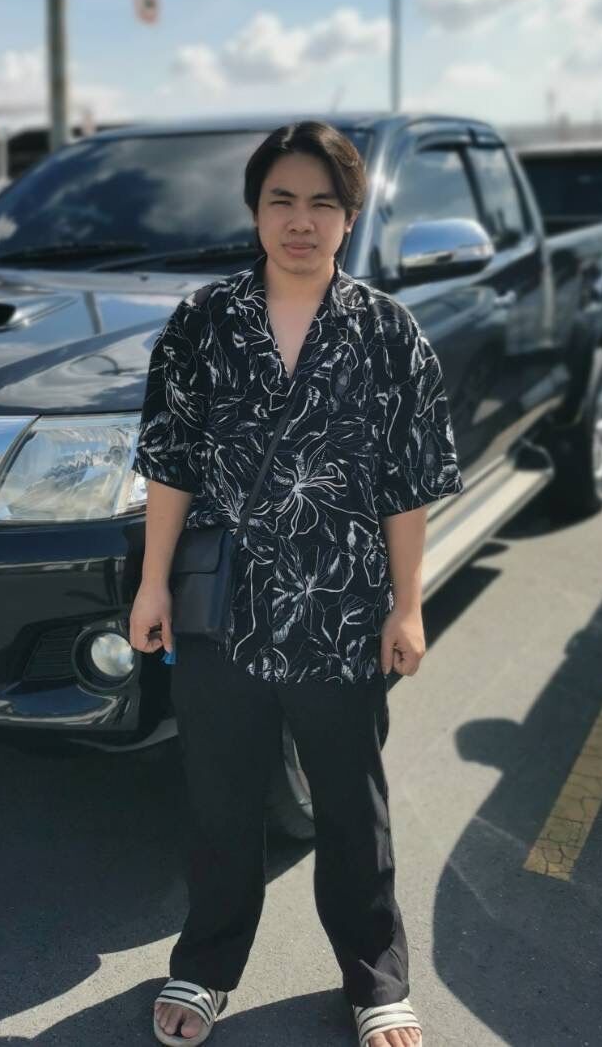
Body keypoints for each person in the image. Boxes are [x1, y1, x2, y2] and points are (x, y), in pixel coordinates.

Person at [129, 121, 464, 1047]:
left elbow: (406, 483)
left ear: (351, 217)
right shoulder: (202, 322)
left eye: (322, 202)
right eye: (281, 199)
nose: (300, 220)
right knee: (221, 801)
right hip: (222, 610)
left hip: (341, 609)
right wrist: (152, 584)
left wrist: (408, 604)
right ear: (255, 211)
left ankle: (375, 980)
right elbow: (170, 462)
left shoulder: (388, 332)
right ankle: (205, 965)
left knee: (351, 805)